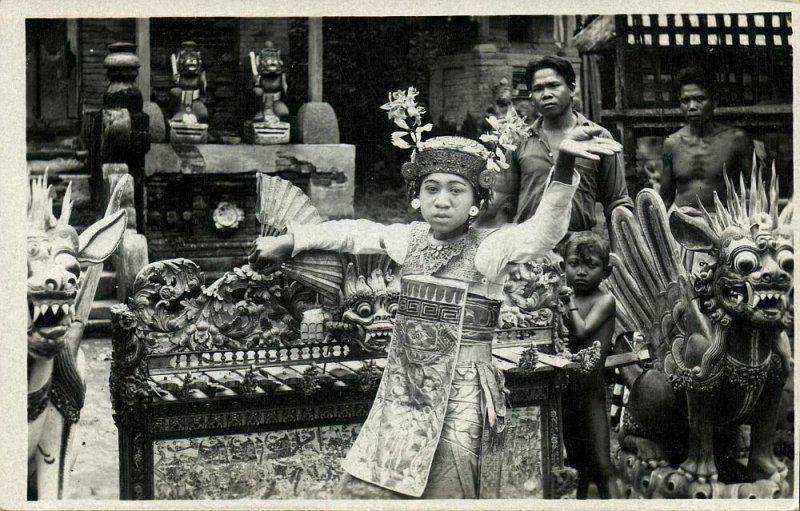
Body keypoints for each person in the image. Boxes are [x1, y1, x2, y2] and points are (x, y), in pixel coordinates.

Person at [249, 103, 622, 498]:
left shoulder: (488, 250)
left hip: (461, 398)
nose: (442, 200)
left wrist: (563, 164)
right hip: (404, 395)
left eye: (456, 189)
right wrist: (290, 240)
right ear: (416, 196)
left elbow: (543, 231)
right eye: (432, 188)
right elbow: (352, 232)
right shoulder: (409, 239)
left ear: (476, 200)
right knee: (368, 491)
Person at [498, 56, 632, 240]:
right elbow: (504, 205)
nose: (546, 94)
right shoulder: (518, 141)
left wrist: (617, 261)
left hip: (578, 253)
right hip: (529, 249)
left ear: (571, 88)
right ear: (531, 96)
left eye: (554, 85)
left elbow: (617, 205)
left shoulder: (597, 137)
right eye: (538, 89)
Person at [558, 231, 618, 499]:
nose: (581, 272)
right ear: (563, 267)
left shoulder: (604, 300)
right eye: (574, 264)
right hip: (567, 394)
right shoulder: (563, 301)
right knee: (577, 466)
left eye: (590, 265)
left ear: (605, 272)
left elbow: (580, 332)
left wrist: (567, 303)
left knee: (602, 467)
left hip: (591, 396)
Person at [660, 65, 754, 212]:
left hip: (724, 226)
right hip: (682, 225)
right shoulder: (672, 144)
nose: (692, 107)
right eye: (685, 101)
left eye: (699, 99)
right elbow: (665, 200)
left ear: (714, 101)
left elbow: (759, 191)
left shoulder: (737, 140)